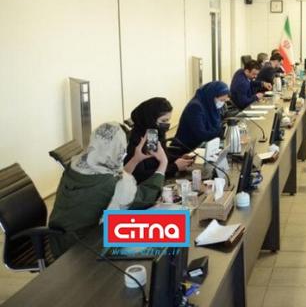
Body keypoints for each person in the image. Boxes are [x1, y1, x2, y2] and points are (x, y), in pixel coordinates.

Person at [48, 122, 166, 257]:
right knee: (165, 229)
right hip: (83, 247)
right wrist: (163, 163)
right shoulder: (109, 183)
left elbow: (116, 179)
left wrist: (135, 159)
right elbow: (145, 197)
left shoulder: (76, 165)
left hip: (58, 240)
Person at [125, 98, 193, 183]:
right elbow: (140, 176)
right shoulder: (137, 140)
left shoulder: (153, 133)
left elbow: (158, 159)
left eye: (168, 120)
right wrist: (174, 167)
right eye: (163, 120)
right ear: (151, 119)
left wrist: (179, 159)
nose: (166, 124)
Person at [171, 81, 229, 154]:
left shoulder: (211, 105)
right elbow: (202, 135)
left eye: (224, 100)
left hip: (202, 146)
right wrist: (220, 132)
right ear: (211, 96)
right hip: (187, 150)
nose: (222, 103)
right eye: (221, 100)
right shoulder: (195, 107)